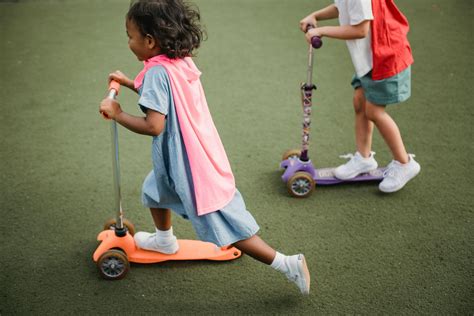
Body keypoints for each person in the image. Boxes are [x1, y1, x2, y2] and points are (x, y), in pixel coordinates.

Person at [99, 0, 310, 294]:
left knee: (225, 226)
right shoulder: (177, 61)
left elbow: (154, 125)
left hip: (190, 165)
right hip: (187, 154)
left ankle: (286, 263)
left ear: (149, 41)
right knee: (154, 190)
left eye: (130, 35)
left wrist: (118, 112)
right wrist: (130, 82)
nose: (129, 42)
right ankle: (164, 241)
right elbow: (162, 94)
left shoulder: (158, 73)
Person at [300, 0, 420, 193]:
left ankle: (404, 163)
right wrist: (316, 16)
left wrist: (322, 31)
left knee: (374, 112)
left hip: (385, 57)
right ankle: (364, 159)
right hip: (369, 59)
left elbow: (360, 30)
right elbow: (342, 7)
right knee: (359, 102)